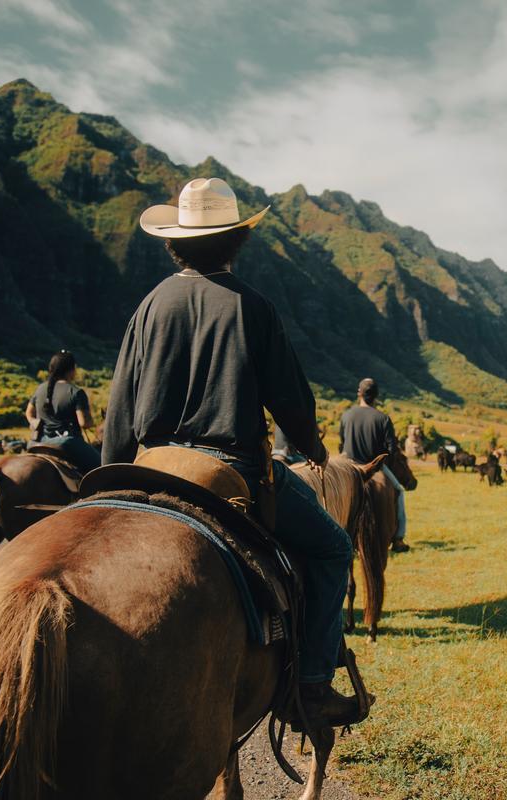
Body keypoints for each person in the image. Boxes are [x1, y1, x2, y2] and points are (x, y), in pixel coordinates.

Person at [102, 177, 361, 727]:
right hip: (234, 469)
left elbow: (120, 404)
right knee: (333, 549)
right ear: (236, 240)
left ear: (174, 243)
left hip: (151, 467)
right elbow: (290, 398)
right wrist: (311, 445)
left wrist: (109, 475)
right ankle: (311, 686)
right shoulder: (253, 307)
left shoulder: (148, 307)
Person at [338, 378, 409, 552]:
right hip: (374, 467)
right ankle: (398, 539)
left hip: (348, 467)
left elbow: (341, 443)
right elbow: (392, 449)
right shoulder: (383, 418)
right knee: (399, 491)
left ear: (359, 394)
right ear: (376, 396)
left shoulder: (346, 415)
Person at [25, 350, 101, 473]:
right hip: (67, 444)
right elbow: (84, 423)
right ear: (71, 370)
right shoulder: (76, 392)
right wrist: (92, 423)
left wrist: (34, 422)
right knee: (101, 467)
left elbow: (28, 412)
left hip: (37, 443)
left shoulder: (40, 388)